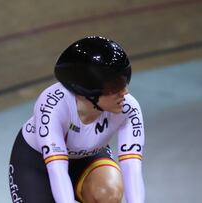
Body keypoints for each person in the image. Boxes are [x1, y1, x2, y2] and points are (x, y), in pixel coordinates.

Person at [8, 36, 145, 203]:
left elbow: (132, 167)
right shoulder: (53, 105)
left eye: (125, 82)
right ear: (87, 91)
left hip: (88, 158)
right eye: (115, 86)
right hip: (36, 165)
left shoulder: (128, 107)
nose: (124, 93)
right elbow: (56, 169)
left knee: (108, 192)